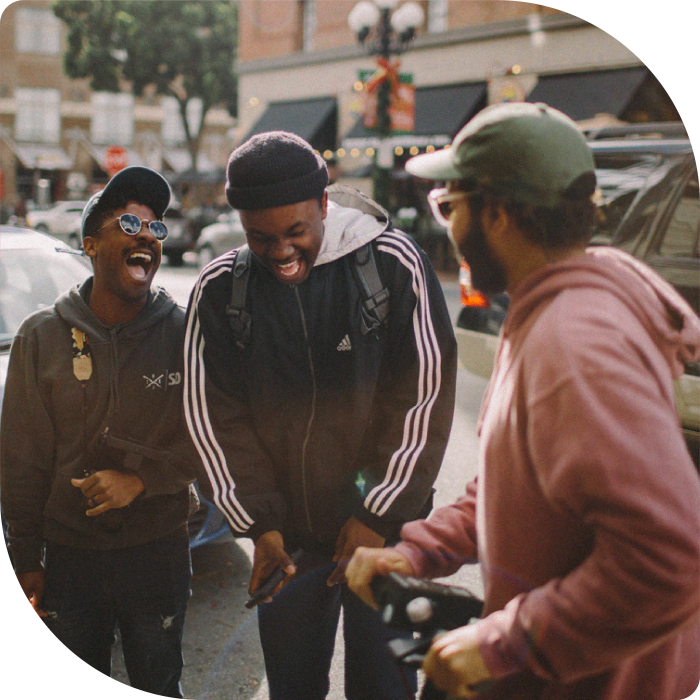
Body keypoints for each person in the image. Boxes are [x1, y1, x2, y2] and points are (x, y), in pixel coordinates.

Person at [346, 102, 700, 700]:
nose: (448, 228)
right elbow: (521, 483)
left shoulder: (573, 347)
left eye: (450, 206)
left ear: (501, 213)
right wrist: (420, 551)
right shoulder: (551, 310)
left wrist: (504, 642)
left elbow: (669, 557)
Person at [183, 131, 457, 700]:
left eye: (295, 232)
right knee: (293, 687)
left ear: (325, 206)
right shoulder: (219, 290)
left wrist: (376, 512)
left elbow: (424, 396)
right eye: (260, 237)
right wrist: (260, 526)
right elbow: (213, 418)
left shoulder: (394, 263)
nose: (281, 252)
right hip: (288, 540)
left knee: (384, 689)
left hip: (386, 533)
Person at [0, 166, 197, 697]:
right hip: (70, 558)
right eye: (129, 223)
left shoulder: (184, 333)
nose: (147, 237)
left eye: (156, 229)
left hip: (157, 553)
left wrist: (142, 480)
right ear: (90, 244)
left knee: (159, 682)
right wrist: (24, 560)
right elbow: (21, 463)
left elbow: (216, 440)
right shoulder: (40, 337)